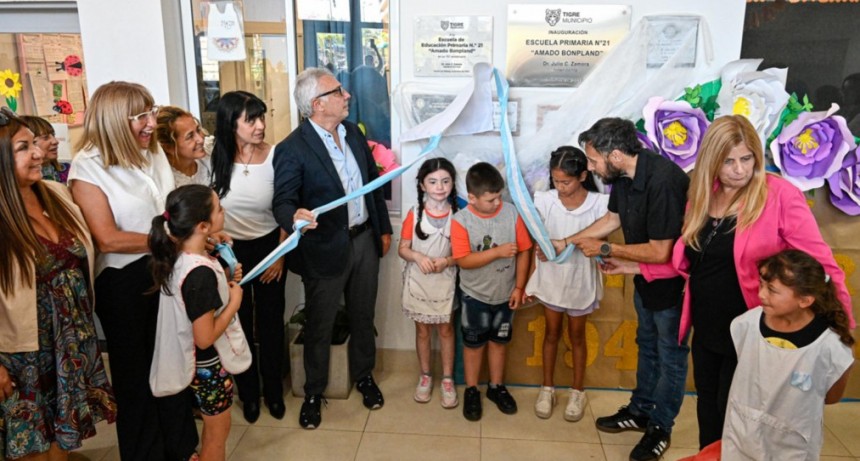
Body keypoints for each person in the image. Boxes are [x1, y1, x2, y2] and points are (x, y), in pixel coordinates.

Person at [607, 114, 855, 450]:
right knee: (710, 419)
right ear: (711, 160)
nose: (739, 170)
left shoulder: (779, 195)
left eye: (747, 158)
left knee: (737, 425)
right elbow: (694, 264)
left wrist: (843, 331)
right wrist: (635, 268)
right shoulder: (703, 196)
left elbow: (823, 267)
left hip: (753, 335)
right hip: (708, 331)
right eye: (728, 161)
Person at [67, 81, 199, 461]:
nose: (151, 122)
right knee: (136, 377)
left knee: (172, 364)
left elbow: (169, 209)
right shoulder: (88, 167)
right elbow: (108, 239)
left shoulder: (152, 151)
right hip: (124, 283)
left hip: (165, 271)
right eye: (140, 116)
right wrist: (175, 240)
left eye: (152, 111)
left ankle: (181, 446)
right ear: (112, 121)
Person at [553, 118, 689, 461]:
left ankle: (660, 427)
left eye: (594, 161)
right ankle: (641, 410)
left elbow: (661, 251)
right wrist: (568, 241)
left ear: (614, 156)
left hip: (675, 286)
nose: (592, 167)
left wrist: (607, 250)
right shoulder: (626, 178)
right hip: (646, 278)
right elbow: (612, 220)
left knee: (670, 357)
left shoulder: (664, 180)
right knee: (647, 345)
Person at [272, 67, 393, 430]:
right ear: (317, 104)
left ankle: (365, 377)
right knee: (320, 324)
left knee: (362, 314)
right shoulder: (292, 148)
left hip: (364, 241)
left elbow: (372, 183)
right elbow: (282, 201)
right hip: (324, 249)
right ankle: (313, 391)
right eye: (339, 91)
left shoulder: (352, 134)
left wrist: (382, 229)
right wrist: (294, 214)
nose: (348, 96)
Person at [0, 107, 116, 460]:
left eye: (35, 143)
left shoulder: (55, 193)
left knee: (63, 437)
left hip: (69, 342)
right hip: (24, 354)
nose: (38, 152)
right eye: (24, 147)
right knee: (31, 444)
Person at [722, 250, 854, 460]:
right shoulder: (744, 325)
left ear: (805, 300)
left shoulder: (831, 347)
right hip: (741, 440)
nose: (761, 294)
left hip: (793, 449)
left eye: (772, 290)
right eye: (762, 285)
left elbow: (831, 397)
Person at [148, 185, 246, 461]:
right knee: (217, 433)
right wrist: (235, 302)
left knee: (215, 429)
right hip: (207, 366)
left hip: (197, 365)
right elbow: (205, 337)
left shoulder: (185, 256)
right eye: (218, 208)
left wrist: (225, 273)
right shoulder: (199, 274)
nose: (223, 211)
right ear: (203, 226)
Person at [210, 90, 287, 423]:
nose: (260, 125)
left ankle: (273, 391)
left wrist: (280, 255)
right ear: (231, 124)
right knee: (236, 323)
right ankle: (249, 393)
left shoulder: (277, 155)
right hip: (229, 251)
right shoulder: (213, 158)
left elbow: (287, 204)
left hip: (270, 246)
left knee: (270, 321)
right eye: (251, 119)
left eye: (262, 117)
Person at [525, 146, 608, 421]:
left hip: (580, 280)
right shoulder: (545, 200)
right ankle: (547, 387)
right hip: (552, 279)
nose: (560, 187)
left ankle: (577, 390)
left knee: (577, 336)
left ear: (583, 175)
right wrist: (540, 247)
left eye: (566, 182)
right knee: (551, 333)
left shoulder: (599, 205)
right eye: (556, 180)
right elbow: (536, 235)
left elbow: (602, 241)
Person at [451, 162, 532, 422]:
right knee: (473, 345)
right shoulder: (461, 221)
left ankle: (496, 388)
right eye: (490, 199)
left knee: (499, 342)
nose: (497, 203)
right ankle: (472, 390)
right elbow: (463, 260)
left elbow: (524, 250)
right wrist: (497, 252)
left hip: (505, 294)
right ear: (471, 198)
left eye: (499, 196)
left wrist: (519, 287)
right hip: (474, 296)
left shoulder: (512, 214)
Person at [398, 157, 459, 408]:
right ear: (422, 185)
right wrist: (418, 256)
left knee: (445, 330)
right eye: (433, 182)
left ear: (453, 184)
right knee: (422, 331)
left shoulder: (459, 215)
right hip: (418, 282)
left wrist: (446, 261)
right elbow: (403, 249)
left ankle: (447, 379)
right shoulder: (414, 214)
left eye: (445, 181)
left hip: (445, 281)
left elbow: (462, 254)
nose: (440, 187)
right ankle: (425, 376)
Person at [156, 105, 211, 187]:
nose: (201, 139)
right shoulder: (166, 183)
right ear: (169, 147)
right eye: (190, 136)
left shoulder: (209, 153)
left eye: (198, 130)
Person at [20, 115, 68, 183]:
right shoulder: (26, 181)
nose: (55, 141)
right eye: (45, 138)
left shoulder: (68, 170)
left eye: (53, 135)